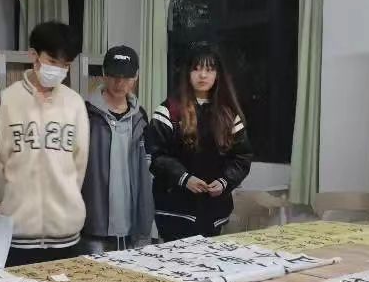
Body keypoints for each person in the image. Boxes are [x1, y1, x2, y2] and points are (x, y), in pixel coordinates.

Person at [0, 21, 88, 266]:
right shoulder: (5, 101)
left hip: (66, 232)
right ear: (34, 55)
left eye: (66, 65)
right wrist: (10, 202)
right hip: (16, 234)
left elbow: (79, 163)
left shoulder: (74, 103)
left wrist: (66, 197)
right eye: (53, 61)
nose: (59, 70)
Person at [146, 44, 252, 242]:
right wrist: (185, 178)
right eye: (196, 69)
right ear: (187, 73)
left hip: (214, 213)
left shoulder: (228, 114)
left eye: (209, 70)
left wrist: (225, 181)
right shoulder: (168, 111)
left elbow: (242, 157)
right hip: (175, 212)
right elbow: (156, 157)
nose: (203, 75)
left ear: (217, 75)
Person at [81, 45, 154, 253]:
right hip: (92, 225)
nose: (119, 83)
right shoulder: (85, 112)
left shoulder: (140, 117)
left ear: (136, 77)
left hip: (132, 226)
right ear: (104, 74)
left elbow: (145, 171)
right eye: (114, 76)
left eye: (126, 77)